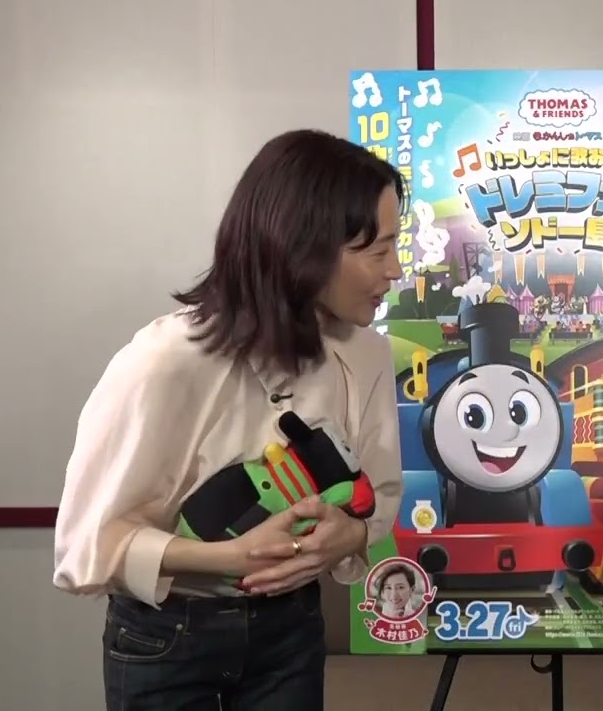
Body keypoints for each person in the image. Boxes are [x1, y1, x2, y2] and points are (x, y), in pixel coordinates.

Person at [53, 129, 404, 710]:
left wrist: (350, 534)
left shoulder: (367, 355)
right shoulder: (164, 361)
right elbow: (86, 544)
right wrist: (227, 558)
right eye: (377, 250)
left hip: (291, 630)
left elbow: (377, 498)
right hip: (166, 636)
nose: (395, 269)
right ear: (304, 247)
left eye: (396, 244)